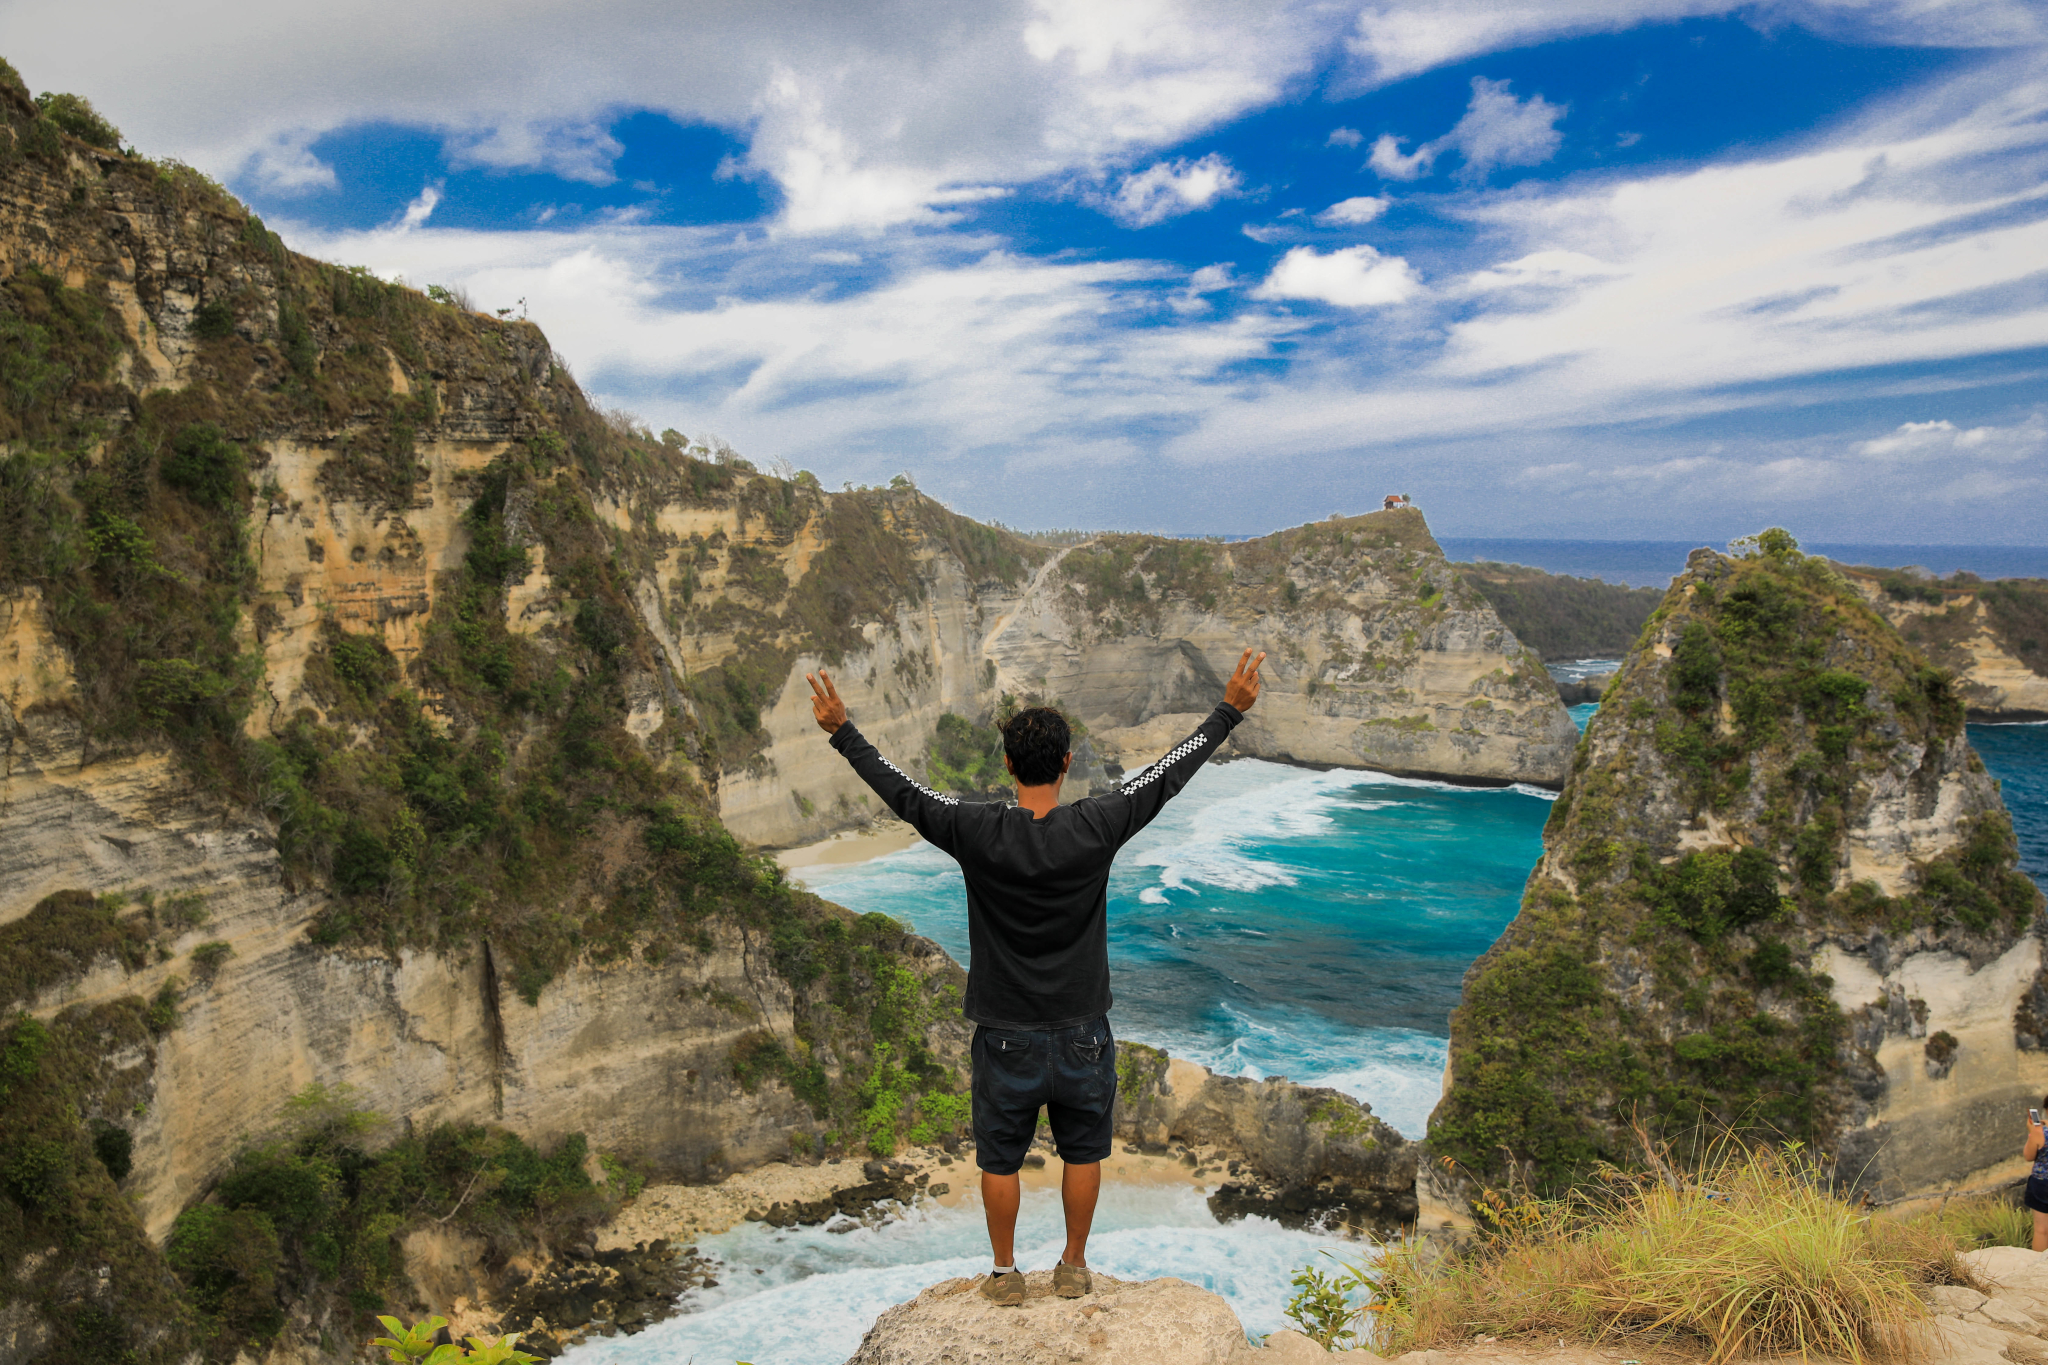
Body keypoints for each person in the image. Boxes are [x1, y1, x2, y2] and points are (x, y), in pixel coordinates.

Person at [806, 647, 1266, 1306]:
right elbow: (1165, 775)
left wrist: (842, 731)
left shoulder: (974, 829)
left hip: (1005, 1032)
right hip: (1082, 1028)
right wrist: (1228, 712)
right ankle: (1073, 1265)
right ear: (1068, 761)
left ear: (1008, 765)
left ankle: (1003, 1273)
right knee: (1083, 1151)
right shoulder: (1098, 823)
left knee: (999, 1157)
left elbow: (906, 794)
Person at [2025, 1103, 2048, 1251]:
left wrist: (2032, 1132)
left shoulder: (2040, 1132)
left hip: (2042, 1184)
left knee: (2041, 1230)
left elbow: (2029, 1155)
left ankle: (2040, 1269)